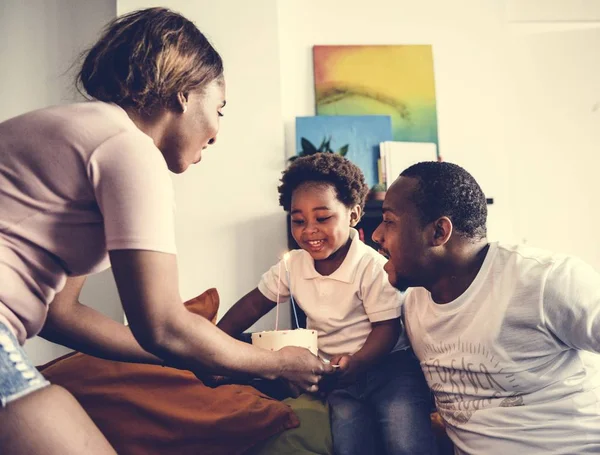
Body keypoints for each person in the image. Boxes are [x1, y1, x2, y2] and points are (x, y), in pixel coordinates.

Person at [0, 7, 330, 455]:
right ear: (183, 95)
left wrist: (201, 358)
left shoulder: (80, 131)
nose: (216, 133)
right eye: (220, 108)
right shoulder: (128, 149)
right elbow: (163, 325)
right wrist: (271, 363)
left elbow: (62, 314)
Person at [372, 161, 600, 454]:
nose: (377, 235)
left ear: (439, 232)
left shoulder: (544, 279)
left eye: (389, 221)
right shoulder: (412, 305)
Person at [218, 152, 438, 455]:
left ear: (353, 215)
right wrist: (216, 340)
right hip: (338, 378)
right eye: (298, 220)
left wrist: (359, 361)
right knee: (349, 444)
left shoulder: (369, 265)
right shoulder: (293, 264)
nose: (309, 230)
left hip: (389, 369)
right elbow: (252, 306)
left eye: (322, 218)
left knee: (404, 437)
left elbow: (387, 328)